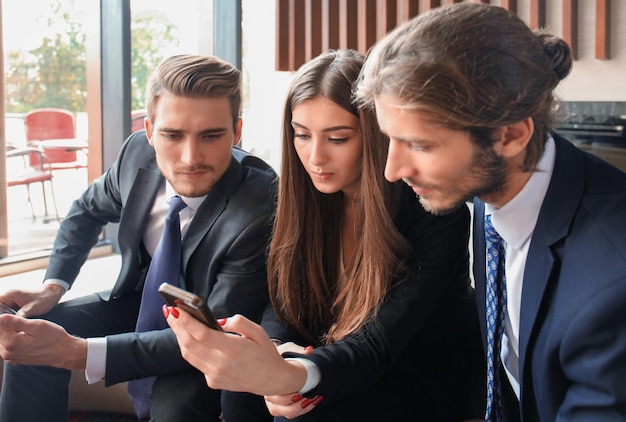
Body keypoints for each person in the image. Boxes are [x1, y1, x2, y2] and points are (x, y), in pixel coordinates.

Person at [166, 49, 486, 421]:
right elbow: (282, 303)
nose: (315, 156)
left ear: (376, 135)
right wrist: (273, 354)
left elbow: (378, 346)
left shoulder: (434, 216)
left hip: (413, 374)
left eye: (337, 139)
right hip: (334, 359)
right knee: (240, 398)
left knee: (306, 412)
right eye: (302, 135)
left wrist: (293, 375)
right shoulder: (301, 203)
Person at [355, 2, 626, 421]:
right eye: (391, 138)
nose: (393, 171)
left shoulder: (613, 279)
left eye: (421, 145)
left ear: (511, 135)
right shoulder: (492, 188)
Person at [0, 54, 277, 421]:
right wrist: (53, 286)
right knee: (29, 344)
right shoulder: (136, 155)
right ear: (149, 131)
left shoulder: (261, 203)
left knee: (176, 410)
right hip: (138, 303)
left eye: (211, 135)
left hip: (209, 337)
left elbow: (212, 335)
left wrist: (77, 352)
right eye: (172, 135)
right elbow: (86, 210)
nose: (190, 157)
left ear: (237, 131)